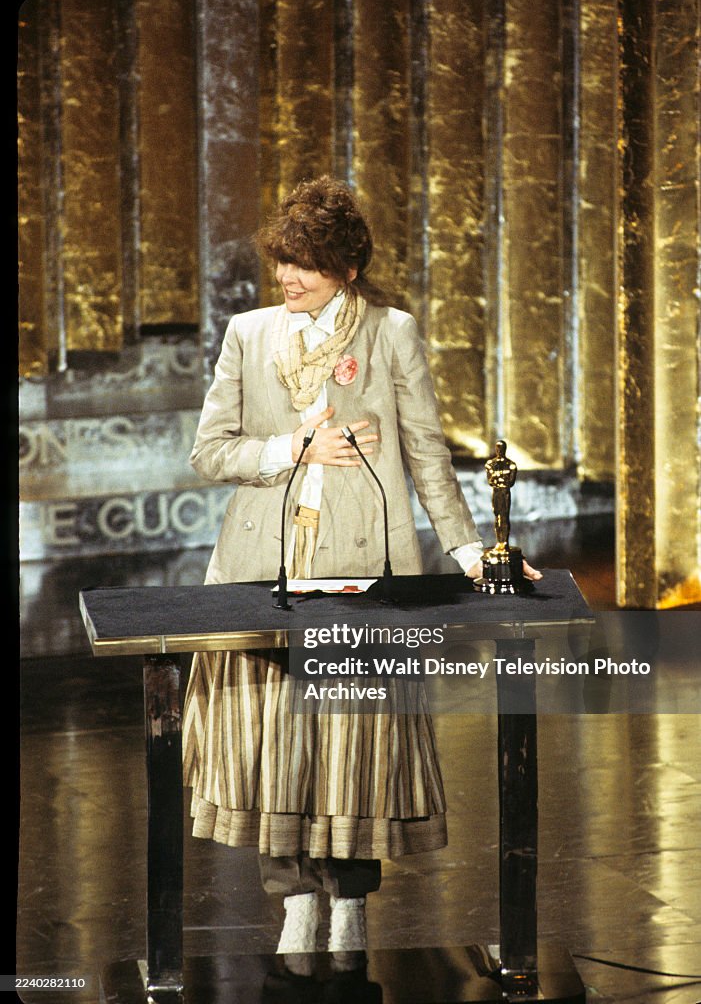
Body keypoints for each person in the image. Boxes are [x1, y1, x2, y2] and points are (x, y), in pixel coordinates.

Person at [181, 176, 541, 978]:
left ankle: (346, 902)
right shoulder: (248, 335)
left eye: (304, 264)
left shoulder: (390, 333)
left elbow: (425, 453)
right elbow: (210, 453)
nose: (288, 279)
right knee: (273, 738)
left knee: (355, 741)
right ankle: (293, 899)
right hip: (262, 569)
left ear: (344, 267)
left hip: (363, 570)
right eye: (282, 264)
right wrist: (290, 450)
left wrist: (465, 551)